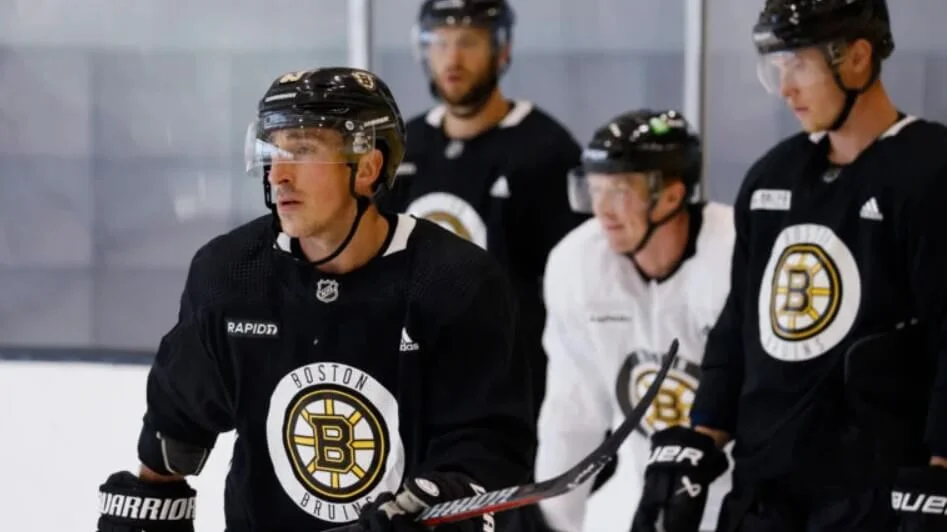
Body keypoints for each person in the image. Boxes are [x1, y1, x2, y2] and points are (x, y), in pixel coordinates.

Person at [96, 67, 536, 532]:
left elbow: (487, 453)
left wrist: (437, 505)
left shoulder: (456, 281)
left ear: (367, 167)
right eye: (273, 150)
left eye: (303, 151)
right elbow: (172, 438)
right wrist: (143, 513)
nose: (279, 174)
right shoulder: (231, 275)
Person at [629, 1, 947, 531]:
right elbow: (738, 328)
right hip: (763, 496)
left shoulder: (930, 172)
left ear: (857, 58)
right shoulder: (772, 176)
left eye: (798, 65)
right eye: (776, 69)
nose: (785, 89)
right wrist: (700, 438)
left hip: (874, 498)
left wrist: (940, 473)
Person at [380, 0, 588, 422]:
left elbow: (580, 278)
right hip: (414, 379)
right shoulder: (405, 145)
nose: (451, 59)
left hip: (516, 386)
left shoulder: (546, 149)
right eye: (439, 43)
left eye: (468, 43)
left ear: (503, 50)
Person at [534, 109, 735, 532]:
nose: (602, 210)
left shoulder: (737, 252)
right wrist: (550, 521)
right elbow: (573, 415)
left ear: (671, 196)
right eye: (593, 190)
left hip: (737, 494)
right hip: (638, 489)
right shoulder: (576, 261)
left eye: (620, 191)